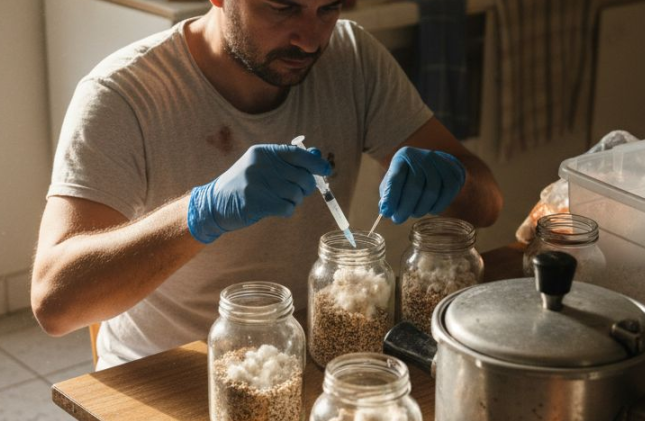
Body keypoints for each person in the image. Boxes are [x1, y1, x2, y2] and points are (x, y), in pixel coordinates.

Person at [31, 0, 503, 370]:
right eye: (283, 7)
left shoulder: (352, 57)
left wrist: (454, 179)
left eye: (329, 8)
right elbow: (55, 304)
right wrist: (202, 212)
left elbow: (488, 205)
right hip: (163, 370)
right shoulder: (121, 96)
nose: (310, 39)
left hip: (304, 349)